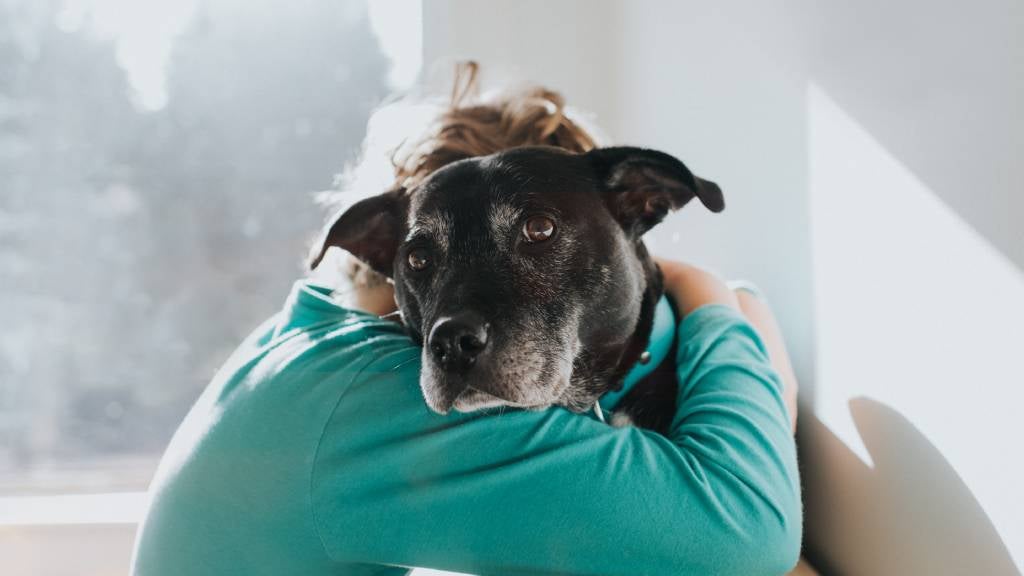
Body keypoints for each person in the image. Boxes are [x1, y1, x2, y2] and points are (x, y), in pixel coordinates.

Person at [131, 65, 803, 576]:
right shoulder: (375, 393)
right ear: (385, 245)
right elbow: (749, 532)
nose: (462, 310)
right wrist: (710, 290)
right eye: (425, 257)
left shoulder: (308, 345)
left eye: (536, 230)